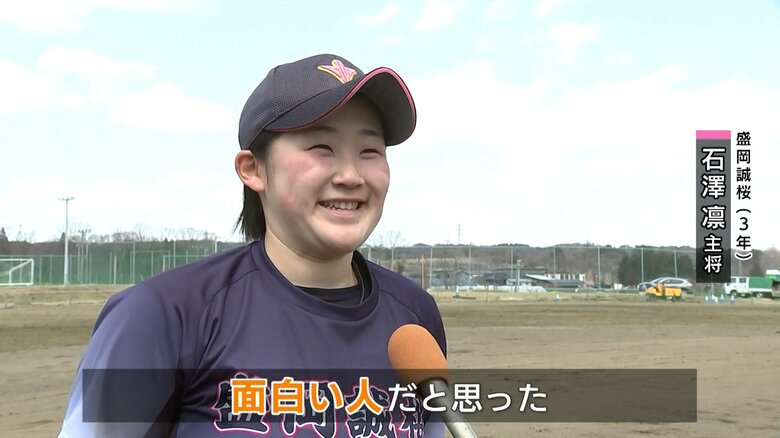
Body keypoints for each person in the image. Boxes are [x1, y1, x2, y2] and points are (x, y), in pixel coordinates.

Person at [58, 53, 447, 437]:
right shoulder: (160, 316)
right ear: (253, 169)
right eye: (321, 148)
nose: (351, 175)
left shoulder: (415, 317)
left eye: (370, 152)